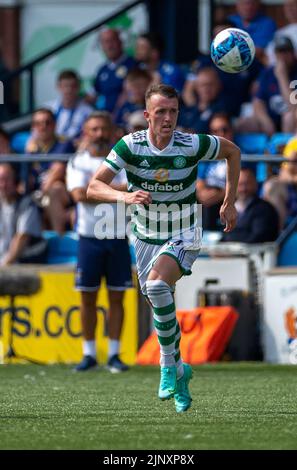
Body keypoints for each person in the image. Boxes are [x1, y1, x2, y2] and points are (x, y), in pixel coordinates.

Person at [87, 84, 241, 413]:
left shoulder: (192, 143)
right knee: (158, 297)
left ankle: (167, 366)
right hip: (144, 235)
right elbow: (93, 186)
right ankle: (181, 370)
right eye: (161, 112)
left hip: (184, 229)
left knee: (158, 286)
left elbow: (233, 152)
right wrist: (125, 196)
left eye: (173, 111)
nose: (168, 118)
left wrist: (229, 201)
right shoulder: (130, 146)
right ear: (147, 116)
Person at [66, 111, 133, 372]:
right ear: (85, 132)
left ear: (112, 131)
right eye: (93, 129)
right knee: (87, 298)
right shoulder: (78, 162)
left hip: (117, 236)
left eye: (103, 129)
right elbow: (79, 195)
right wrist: (118, 192)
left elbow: (132, 191)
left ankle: (115, 354)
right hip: (89, 237)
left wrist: (99, 189)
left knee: (117, 297)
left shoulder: (124, 161)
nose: (99, 134)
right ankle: (89, 354)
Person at [26, 108, 75, 234]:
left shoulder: (64, 143)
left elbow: (57, 172)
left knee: (54, 189)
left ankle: (59, 238)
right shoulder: (31, 148)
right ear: (33, 127)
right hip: (39, 193)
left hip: (62, 194)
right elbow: (26, 177)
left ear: (54, 124)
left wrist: (39, 195)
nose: (43, 127)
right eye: (38, 123)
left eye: (47, 122)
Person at [0, 163, 47, 266]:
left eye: (6, 180)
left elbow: (21, 239)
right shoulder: (1, 202)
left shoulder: (27, 204)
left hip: (28, 260)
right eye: (0, 180)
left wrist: (3, 266)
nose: (2, 185)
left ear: (16, 182)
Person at [222, 168, 279, 243]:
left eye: (247, 184)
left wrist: (228, 241)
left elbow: (258, 237)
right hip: (230, 252)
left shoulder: (264, 209)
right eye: (239, 184)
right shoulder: (227, 207)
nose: (243, 189)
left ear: (255, 184)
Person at [86, 28, 136, 113]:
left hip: (127, 117)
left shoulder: (133, 65)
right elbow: (92, 95)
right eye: (105, 42)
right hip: (106, 118)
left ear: (120, 42)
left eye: (112, 41)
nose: (109, 46)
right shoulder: (102, 69)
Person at [46, 70, 93, 140]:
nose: (69, 90)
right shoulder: (48, 108)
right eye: (65, 86)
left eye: (72, 86)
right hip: (51, 147)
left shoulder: (88, 112)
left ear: (79, 87)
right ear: (58, 87)